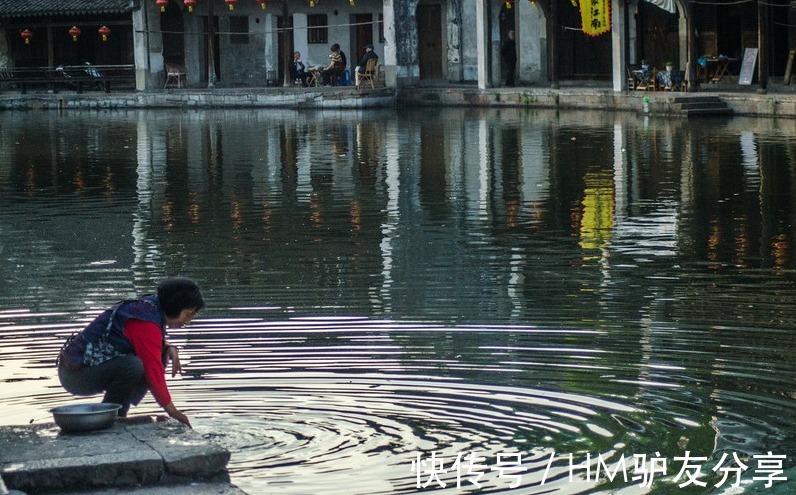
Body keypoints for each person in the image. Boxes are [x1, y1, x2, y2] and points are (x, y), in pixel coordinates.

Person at [57, 277, 205, 428]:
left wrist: (168, 348)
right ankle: (115, 418)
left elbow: (145, 342)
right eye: (188, 315)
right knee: (132, 366)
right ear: (174, 306)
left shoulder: (150, 308)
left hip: (85, 368)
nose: (187, 322)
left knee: (154, 356)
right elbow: (153, 371)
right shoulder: (145, 321)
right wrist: (173, 412)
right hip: (75, 374)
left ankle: (116, 415)